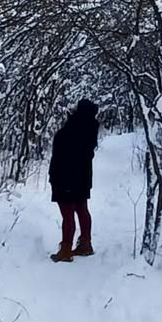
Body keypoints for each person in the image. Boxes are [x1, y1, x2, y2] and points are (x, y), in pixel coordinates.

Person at [48, 98, 99, 262]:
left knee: (68, 214)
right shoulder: (90, 129)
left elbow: (61, 155)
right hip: (82, 177)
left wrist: (54, 177)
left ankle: (65, 250)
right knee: (82, 210)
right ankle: (85, 244)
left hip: (65, 178)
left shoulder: (73, 129)